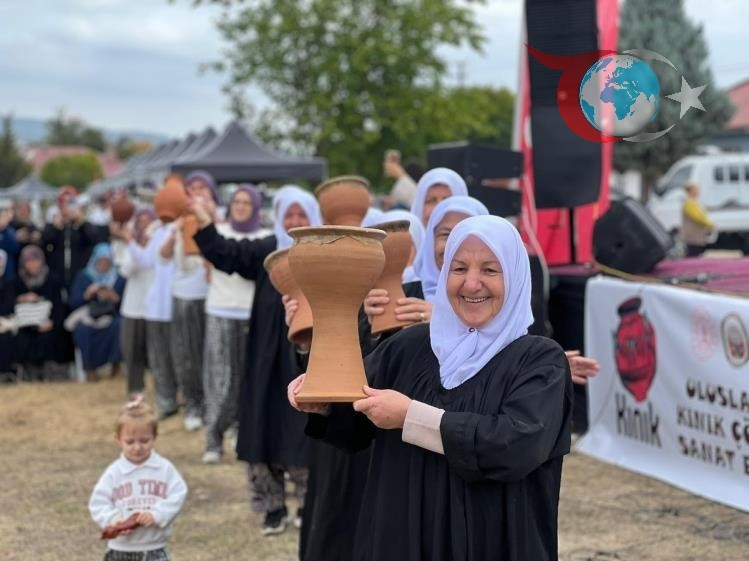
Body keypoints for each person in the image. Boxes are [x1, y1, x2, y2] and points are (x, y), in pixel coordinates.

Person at [289, 215, 573, 561]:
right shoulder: (408, 347)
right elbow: (356, 427)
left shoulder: (539, 360)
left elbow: (516, 446)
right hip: (404, 535)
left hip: (492, 541)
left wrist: (411, 417)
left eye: (489, 270)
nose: (471, 284)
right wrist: (326, 406)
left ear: (515, 276)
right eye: (459, 268)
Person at [190, 185, 318, 535]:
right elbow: (227, 253)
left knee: (304, 427)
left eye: (302, 215)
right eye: (289, 214)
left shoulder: (325, 256)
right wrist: (203, 221)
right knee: (263, 424)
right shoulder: (268, 250)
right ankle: (272, 506)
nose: (295, 221)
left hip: (307, 356)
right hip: (265, 355)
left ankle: (308, 503)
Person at [201, 185, 270, 464]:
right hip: (221, 312)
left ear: (256, 208)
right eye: (236, 202)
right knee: (220, 380)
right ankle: (213, 438)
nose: (240, 207)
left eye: (246, 203)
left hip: (252, 315)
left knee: (247, 379)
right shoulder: (218, 234)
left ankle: (241, 431)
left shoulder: (265, 238)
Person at [89, 396, 187, 561]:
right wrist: (113, 520)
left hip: (153, 548)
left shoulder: (164, 469)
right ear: (118, 439)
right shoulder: (114, 472)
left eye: (144, 440)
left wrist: (158, 514)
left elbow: (178, 494)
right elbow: (98, 503)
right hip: (119, 549)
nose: (137, 447)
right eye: (129, 442)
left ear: (155, 437)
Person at [116, 208, 158, 397]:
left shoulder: (161, 243)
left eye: (148, 220)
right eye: (140, 220)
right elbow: (126, 271)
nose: (144, 224)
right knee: (132, 352)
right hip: (133, 306)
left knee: (157, 353)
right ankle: (135, 391)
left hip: (155, 307)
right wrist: (135, 247)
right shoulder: (129, 246)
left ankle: (162, 391)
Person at [68, 243, 125, 382]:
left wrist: (114, 298)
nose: (104, 265)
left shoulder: (118, 278)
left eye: (107, 262)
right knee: (83, 331)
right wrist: (86, 295)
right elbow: (72, 303)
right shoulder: (83, 276)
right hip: (89, 316)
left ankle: (115, 365)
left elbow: (125, 305)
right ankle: (90, 369)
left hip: (111, 315)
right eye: (101, 261)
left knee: (118, 325)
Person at [12, 245, 69, 381]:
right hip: (25, 324)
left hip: (48, 322)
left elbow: (60, 306)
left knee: (52, 337)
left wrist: (52, 322)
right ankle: (29, 373)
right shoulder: (17, 281)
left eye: (36, 260)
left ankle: (51, 372)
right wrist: (21, 299)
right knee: (23, 339)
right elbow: (7, 304)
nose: (33, 265)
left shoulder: (53, 279)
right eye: (29, 261)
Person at [681, 181, 714, 257]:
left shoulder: (693, 202)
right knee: (693, 254)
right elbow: (698, 217)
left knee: (695, 253)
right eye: (695, 190)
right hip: (693, 235)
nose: (698, 192)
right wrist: (710, 224)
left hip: (696, 235)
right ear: (690, 191)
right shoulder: (689, 203)